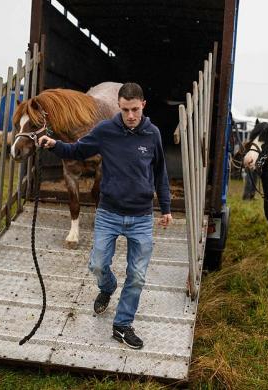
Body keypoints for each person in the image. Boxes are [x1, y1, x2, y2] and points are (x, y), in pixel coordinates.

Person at [39, 82, 172, 349]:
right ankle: (107, 286)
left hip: (141, 217)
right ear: (119, 106)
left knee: (136, 275)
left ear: (143, 105)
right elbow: (76, 150)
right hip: (109, 213)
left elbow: (160, 173)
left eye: (135, 110)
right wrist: (54, 144)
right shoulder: (106, 130)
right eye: (125, 110)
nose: (131, 116)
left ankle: (122, 325)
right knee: (97, 265)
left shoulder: (153, 134)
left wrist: (166, 208)